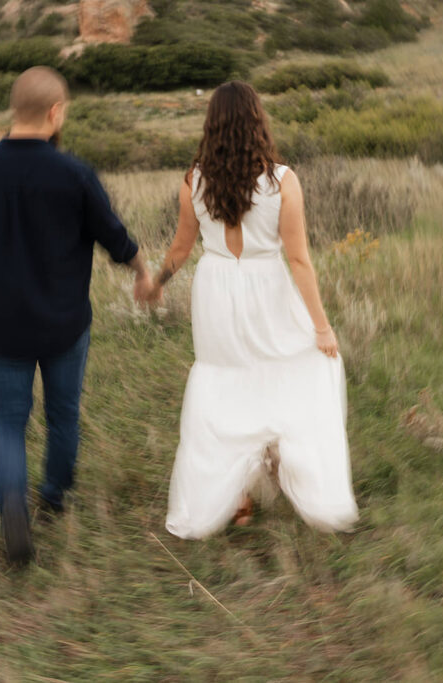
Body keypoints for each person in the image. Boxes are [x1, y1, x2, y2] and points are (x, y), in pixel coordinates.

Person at [0, 67, 155, 564]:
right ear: (56, 112)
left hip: (2, 322)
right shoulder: (74, 173)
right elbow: (113, 235)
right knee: (64, 413)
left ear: (13, 112)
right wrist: (143, 272)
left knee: (9, 422)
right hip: (65, 324)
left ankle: (12, 508)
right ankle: (55, 497)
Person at [149, 81, 359, 539]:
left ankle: (237, 498)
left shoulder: (193, 181)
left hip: (217, 288)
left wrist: (157, 283)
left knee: (224, 384)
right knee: (291, 369)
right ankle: (279, 462)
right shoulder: (282, 181)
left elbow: (181, 249)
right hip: (268, 285)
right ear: (258, 122)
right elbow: (299, 260)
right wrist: (321, 327)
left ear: (212, 126)